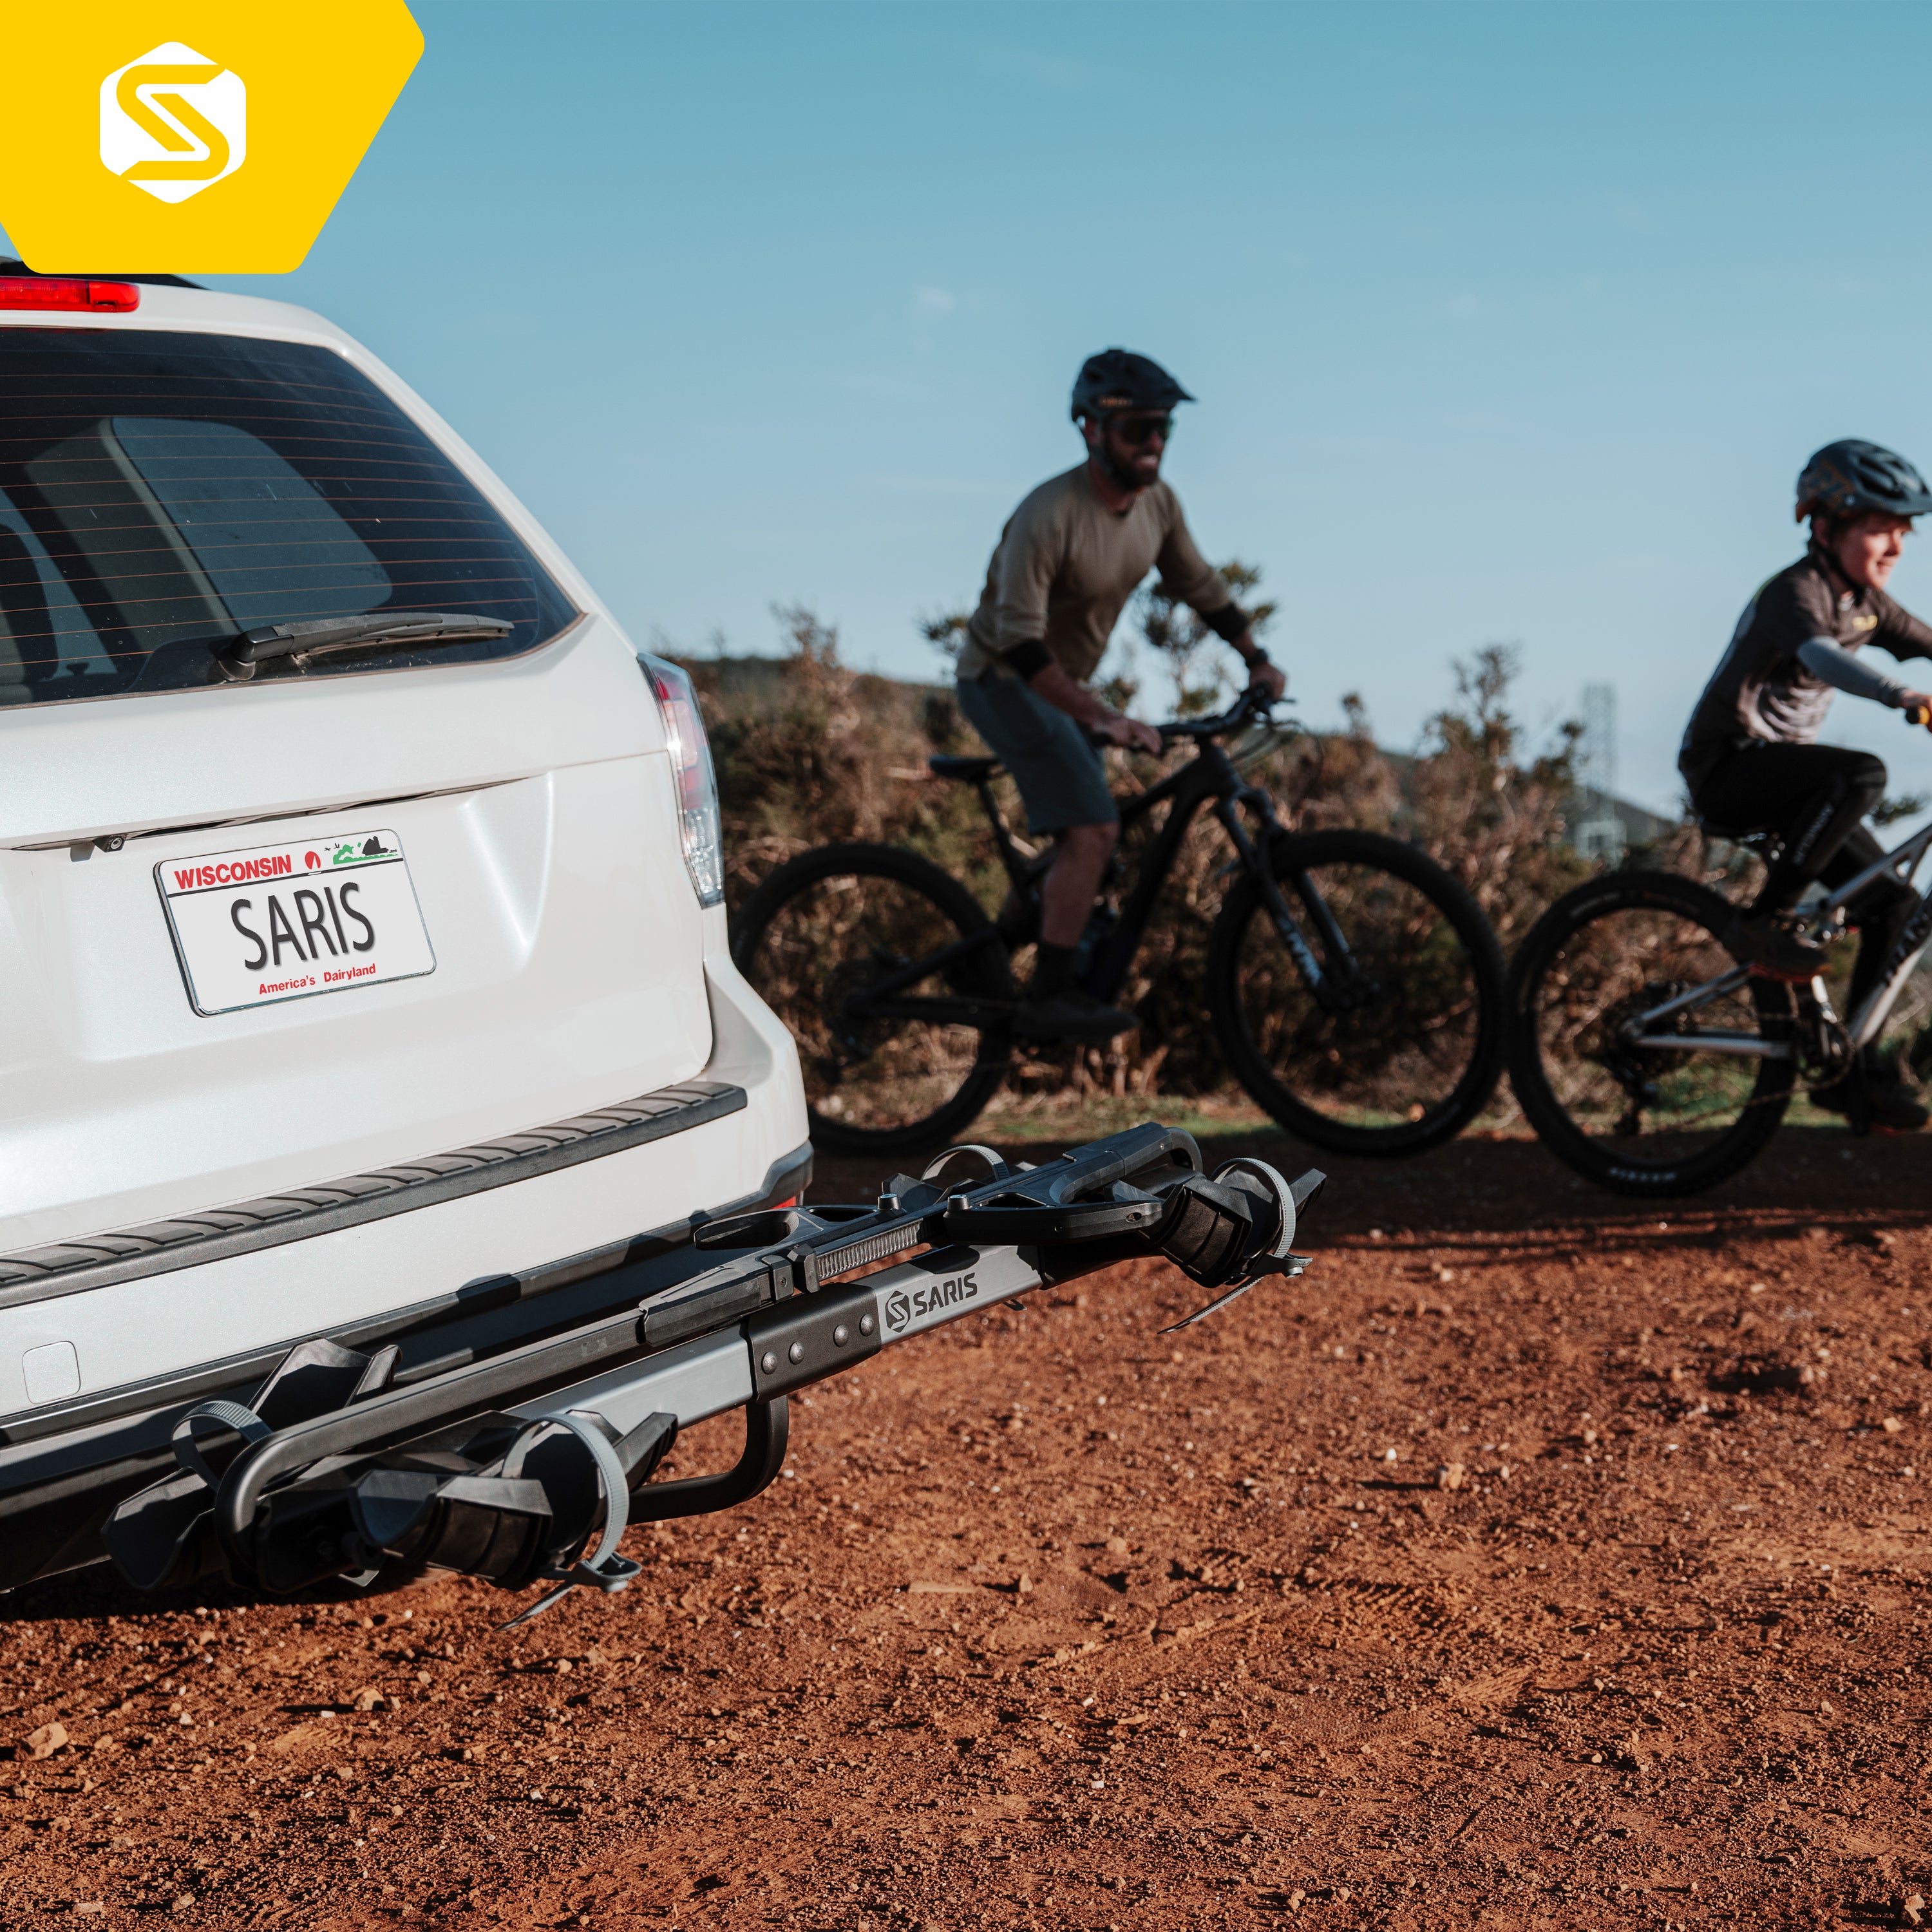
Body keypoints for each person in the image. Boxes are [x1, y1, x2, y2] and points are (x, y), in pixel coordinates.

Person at [954, 348, 1285, 1043]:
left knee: (1100, 838)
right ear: (1092, 430)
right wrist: (1103, 716)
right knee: (1095, 829)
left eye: (1164, 428)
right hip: (1001, 679)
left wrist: (1256, 658)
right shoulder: (1048, 514)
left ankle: (989, 953)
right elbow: (1019, 643)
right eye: (1138, 428)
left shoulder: (1158, 506)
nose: (1155, 442)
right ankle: (1049, 997)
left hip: (1061, 685)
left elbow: (1199, 585)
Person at [1679, 438, 1932, 1131]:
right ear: (1826, 526)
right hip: (1728, 766)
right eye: (1880, 528)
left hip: (1793, 788)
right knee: (1862, 773)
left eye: (1903, 531)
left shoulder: (1867, 604)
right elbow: (1821, 655)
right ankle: (1767, 922)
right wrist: (1900, 695)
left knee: (1895, 906)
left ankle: (1856, 1077)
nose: (1897, 546)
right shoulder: (1795, 593)